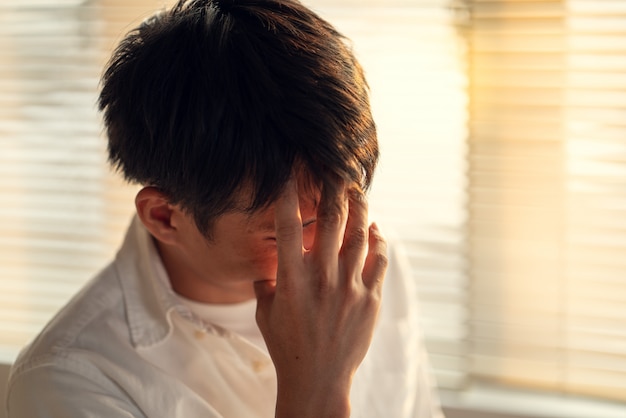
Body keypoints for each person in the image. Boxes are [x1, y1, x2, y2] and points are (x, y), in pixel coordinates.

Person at [6, 0, 444, 416]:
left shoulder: (364, 264)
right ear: (165, 217)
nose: (326, 246)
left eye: (337, 208)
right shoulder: (72, 381)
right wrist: (315, 392)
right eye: (287, 231)